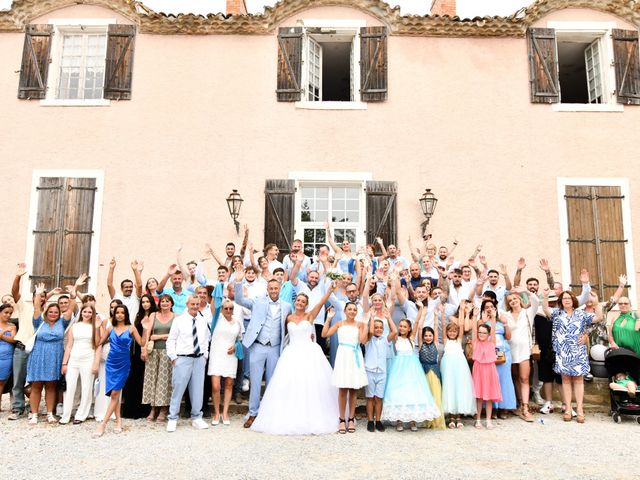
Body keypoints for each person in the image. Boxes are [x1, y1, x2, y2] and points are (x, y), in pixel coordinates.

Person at [251, 285, 338, 435]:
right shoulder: (289, 317)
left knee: (310, 384)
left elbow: (320, 303)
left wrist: (329, 291)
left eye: (303, 301)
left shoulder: (310, 316)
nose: (300, 303)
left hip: (309, 352)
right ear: (295, 301)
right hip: (291, 353)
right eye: (298, 300)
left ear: (306, 304)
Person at [233, 267, 292, 429]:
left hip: (275, 348)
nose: (273, 290)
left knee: (272, 382)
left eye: (276, 288)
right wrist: (238, 282)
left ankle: (269, 413)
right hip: (258, 347)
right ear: (267, 289)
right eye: (271, 288)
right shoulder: (258, 301)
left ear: (280, 289)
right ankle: (253, 413)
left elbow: (290, 325)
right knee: (255, 382)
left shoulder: (287, 306)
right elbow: (239, 300)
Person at [542, 289, 603, 423]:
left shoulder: (581, 314)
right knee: (565, 380)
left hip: (578, 351)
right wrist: (545, 297)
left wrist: (596, 303)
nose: (567, 300)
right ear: (561, 301)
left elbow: (598, 317)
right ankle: (568, 408)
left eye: (569, 298)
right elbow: (546, 310)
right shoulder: (557, 313)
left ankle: (580, 409)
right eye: (564, 298)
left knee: (578, 380)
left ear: (573, 300)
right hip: (562, 352)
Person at [381, 315, 441, 432]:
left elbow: (417, 321)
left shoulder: (412, 338)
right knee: (399, 392)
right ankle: (400, 420)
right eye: (401, 326)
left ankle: (413, 419)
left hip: (412, 368)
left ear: (409, 329)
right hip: (399, 368)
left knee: (413, 391)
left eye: (405, 327)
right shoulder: (397, 338)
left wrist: (421, 311)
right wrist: (389, 317)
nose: (402, 328)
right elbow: (393, 328)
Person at [94, 305, 145, 436]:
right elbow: (98, 342)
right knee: (114, 394)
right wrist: (97, 327)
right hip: (111, 363)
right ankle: (118, 421)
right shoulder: (110, 328)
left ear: (126, 314)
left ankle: (103, 424)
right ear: (114, 314)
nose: (120, 315)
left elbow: (142, 343)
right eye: (117, 312)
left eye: (122, 312)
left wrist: (145, 328)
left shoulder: (131, 328)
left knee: (115, 392)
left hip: (123, 363)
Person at [165, 296, 210, 433]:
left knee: (198, 389)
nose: (195, 306)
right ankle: (173, 418)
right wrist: (173, 357)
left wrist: (205, 356)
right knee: (178, 389)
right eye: (192, 304)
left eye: (197, 304)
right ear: (187, 304)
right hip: (182, 359)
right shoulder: (179, 320)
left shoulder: (202, 321)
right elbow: (171, 340)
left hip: (199, 359)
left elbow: (206, 339)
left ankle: (196, 417)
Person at [322, 302, 368, 434]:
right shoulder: (339, 324)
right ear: (345, 310)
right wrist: (329, 318)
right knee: (342, 389)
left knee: (353, 389)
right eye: (350, 309)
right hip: (343, 355)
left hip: (354, 355)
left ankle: (351, 418)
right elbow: (325, 334)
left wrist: (365, 324)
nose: (352, 311)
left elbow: (363, 341)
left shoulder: (359, 324)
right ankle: (341, 419)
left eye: (354, 309)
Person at [59, 304, 101, 425]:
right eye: (85, 311)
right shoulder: (74, 326)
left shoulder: (95, 326)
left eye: (89, 312)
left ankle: (81, 414)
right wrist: (64, 363)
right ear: (81, 312)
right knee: (70, 387)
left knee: (86, 387)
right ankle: (66, 415)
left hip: (88, 358)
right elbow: (69, 345)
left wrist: (95, 363)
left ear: (93, 314)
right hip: (73, 359)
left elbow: (97, 344)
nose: (87, 314)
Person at [503, 287, 538, 421]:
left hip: (524, 351)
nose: (513, 301)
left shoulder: (528, 312)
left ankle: (525, 407)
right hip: (510, 351)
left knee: (524, 378)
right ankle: (518, 403)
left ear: (520, 300)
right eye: (510, 300)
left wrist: (525, 291)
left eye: (515, 299)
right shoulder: (505, 315)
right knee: (515, 377)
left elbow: (535, 300)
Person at [208, 298, 243, 426]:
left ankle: (225, 412)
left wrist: (235, 347)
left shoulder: (237, 322)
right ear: (222, 309)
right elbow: (213, 305)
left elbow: (240, 339)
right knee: (216, 386)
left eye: (231, 308)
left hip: (230, 356)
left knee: (229, 383)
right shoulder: (217, 319)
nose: (228, 310)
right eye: (226, 308)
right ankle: (217, 412)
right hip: (217, 354)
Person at [440, 304, 476, 428]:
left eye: (454, 331)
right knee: (449, 388)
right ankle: (451, 417)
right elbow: (444, 325)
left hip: (460, 366)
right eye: (450, 331)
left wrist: (462, 312)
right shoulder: (446, 341)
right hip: (448, 367)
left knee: (460, 388)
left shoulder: (459, 340)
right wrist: (442, 314)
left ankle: (459, 417)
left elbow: (461, 327)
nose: (452, 333)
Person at [480, 300, 516, 419]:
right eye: (487, 307)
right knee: (491, 381)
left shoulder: (502, 321)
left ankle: (504, 408)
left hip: (503, 353)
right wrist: (485, 322)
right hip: (489, 354)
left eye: (492, 306)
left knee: (504, 380)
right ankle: (493, 408)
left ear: (495, 308)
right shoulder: (482, 322)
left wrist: (505, 324)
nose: (489, 309)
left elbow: (508, 336)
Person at [141, 294, 174, 421]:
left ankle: (164, 409)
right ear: (159, 304)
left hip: (167, 352)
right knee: (152, 379)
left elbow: (175, 334)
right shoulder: (153, 315)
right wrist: (144, 349)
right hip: (153, 351)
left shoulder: (176, 317)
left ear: (171, 303)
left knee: (164, 381)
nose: (165, 303)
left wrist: (159, 337)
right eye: (162, 301)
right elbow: (148, 332)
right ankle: (153, 408)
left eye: (167, 301)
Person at [121, 295, 155, 419]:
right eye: (143, 302)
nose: (145, 304)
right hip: (136, 351)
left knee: (145, 380)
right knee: (133, 380)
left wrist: (144, 348)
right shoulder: (138, 316)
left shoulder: (154, 315)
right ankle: (131, 410)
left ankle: (144, 410)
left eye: (147, 301)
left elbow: (148, 334)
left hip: (149, 350)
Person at [364, 314, 397, 432]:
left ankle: (378, 420)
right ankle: (370, 420)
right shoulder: (368, 339)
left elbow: (395, 331)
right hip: (370, 371)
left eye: (380, 327)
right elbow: (371, 331)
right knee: (370, 397)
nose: (378, 329)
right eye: (376, 327)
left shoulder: (385, 340)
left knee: (378, 398)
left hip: (382, 372)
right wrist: (372, 318)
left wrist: (388, 318)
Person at [471, 310, 502, 429]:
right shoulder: (475, 342)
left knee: (489, 396)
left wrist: (493, 318)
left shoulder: (491, 342)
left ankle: (488, 420)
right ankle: (478, 419)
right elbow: (474, 330)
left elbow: (493, 330)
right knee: (479, 396)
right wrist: (474, 316)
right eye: (480, 332)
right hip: (478, 369)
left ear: (488, 334)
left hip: (490, 370)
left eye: (484, 333)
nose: (481, 334)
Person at [94, 299, 121, 423]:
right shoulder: (106, 321)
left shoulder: (126, 323)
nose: (113, 309)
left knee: (117, 384)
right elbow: (100, 340)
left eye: (116, 307)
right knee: (104, 381)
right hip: (107, 353)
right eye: (111, 307)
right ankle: (101, 411)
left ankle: (115, 412)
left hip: (120, 355)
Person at [417, 321, 445, 430]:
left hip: (435, 372)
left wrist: (436, 316)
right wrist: (422, 313)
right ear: (422, 337)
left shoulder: (436, 344)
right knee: (426, 395)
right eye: (426, 336)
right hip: (424, 372)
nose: (428, 338)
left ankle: (436, 419)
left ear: (433, 336)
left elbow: (436, 328)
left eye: (430, 335)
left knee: (436, 395)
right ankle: (426, 419)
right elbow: (419, 329)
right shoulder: (420, 345)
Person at [0, 303, 17, 410]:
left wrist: (1, 336)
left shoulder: (12, 326)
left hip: (6, 357)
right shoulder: (8, 328)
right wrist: (5, 333)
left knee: (1, 382)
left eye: (10, 313)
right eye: (6, 312)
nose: (8, 315)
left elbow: (14, 340)